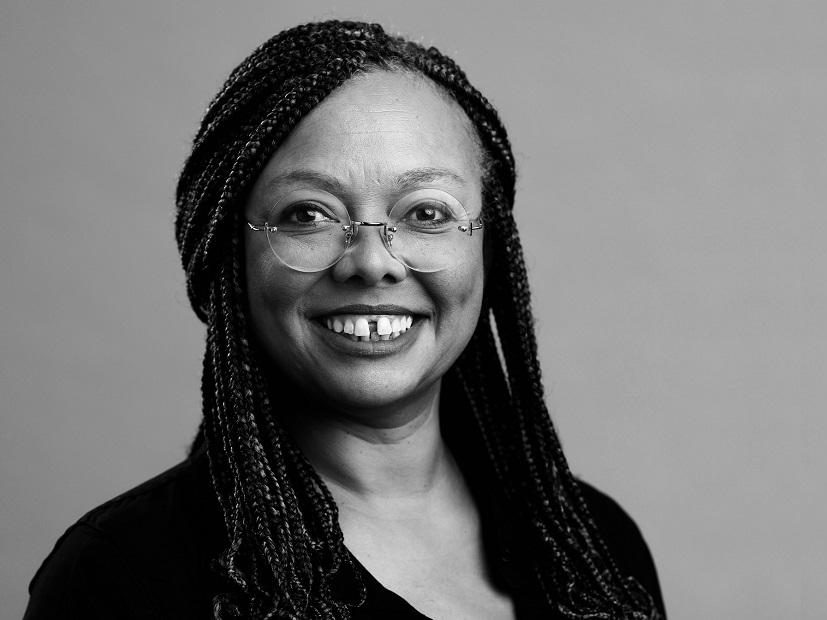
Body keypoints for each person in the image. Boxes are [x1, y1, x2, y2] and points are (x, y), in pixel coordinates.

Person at [24, 20, 665, 620]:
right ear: (230, 257)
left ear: (488, 251)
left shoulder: (593, 549)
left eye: (426, 213)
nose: (371, 261)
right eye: (308, 214)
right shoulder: (121, 579)